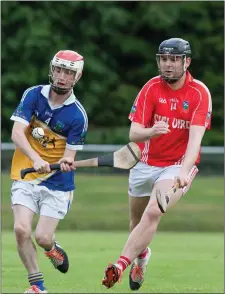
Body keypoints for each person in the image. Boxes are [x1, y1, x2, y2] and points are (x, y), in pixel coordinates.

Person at [102, 38, 212, 290]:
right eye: (164, 59)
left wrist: (184, 172)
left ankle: (120, 265)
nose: (168, 64)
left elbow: (196, 137)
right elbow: (134, 133)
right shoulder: (151, 88)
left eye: (174, 59)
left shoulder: (199, 93)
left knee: (154, 212)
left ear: (187, 62)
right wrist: (151, 131)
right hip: (145, 163)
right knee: (136, 222)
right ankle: (142, 256)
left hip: (177, 165)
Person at [10, 50, 88, 293]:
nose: (62, 76)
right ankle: (37, 286)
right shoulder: (33, 95)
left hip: (57, 182)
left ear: (77, 77)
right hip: (26, 173)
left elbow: (69, 156)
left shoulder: (78, 115)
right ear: (52, 70)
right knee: (21, 230)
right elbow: (16, 133)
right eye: (59, 70)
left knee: (42, 237)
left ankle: (51, 248)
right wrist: (35, 158)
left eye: (69, 72)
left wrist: (65, 161)